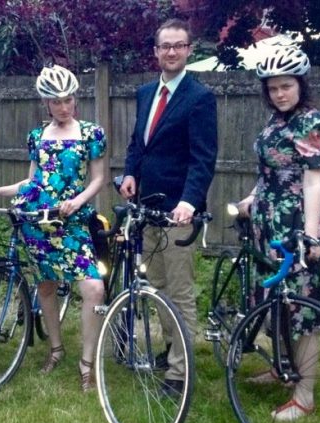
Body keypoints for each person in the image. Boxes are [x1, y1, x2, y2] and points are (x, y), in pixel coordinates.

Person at [0, 65, 105, 392]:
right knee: (45, 286)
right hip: (38, 222)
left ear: (76, 99)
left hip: (71, 221)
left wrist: (78, 200)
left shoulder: (92, 133)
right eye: (56, 101)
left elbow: (99, 178)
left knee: (93, 288)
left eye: (69, 100)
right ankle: (56, 349)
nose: (64, 107)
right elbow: (31, 181)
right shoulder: (37, 136)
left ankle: (87, 362)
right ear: (46, 102)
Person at [235, 45, 320, 421]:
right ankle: (283, 368)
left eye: (286, 86)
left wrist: (310, 237)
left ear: (301, 84)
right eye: (273, 88)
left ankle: (305, 395)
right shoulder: (275, 123)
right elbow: (270, 173)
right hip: (266, 223)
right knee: (276, 302)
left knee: (302, 312)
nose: (279, 93)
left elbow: (312, 182)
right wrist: (250, 198)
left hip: (297, 224)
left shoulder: (313, 123)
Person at [119, 18, 218, 395]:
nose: (172, 52)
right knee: (155, 284)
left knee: (179, 290)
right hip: (148, 208)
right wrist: (130, 173)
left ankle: (179, 373)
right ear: (156, 51)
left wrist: (190, 202)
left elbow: (203, 158)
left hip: (180, 213)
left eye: (179, 45)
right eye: (165, 46)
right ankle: (173, 347)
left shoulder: (200, 98)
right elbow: (137, 144)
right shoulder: (146, 93)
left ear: (189, 50)